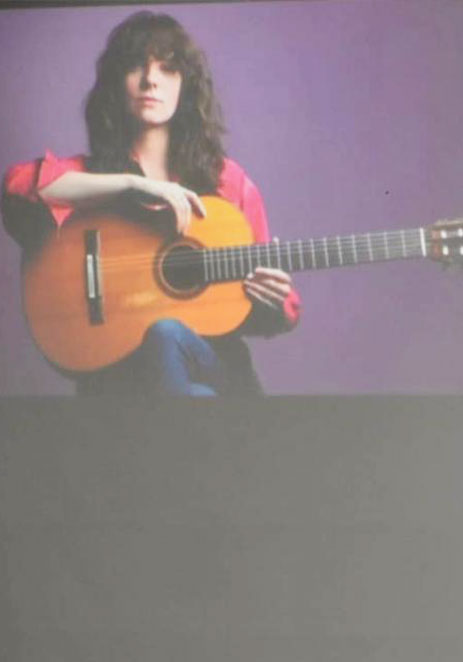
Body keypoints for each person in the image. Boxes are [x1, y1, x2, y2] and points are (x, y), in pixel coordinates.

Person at [1, 11, 300, 395]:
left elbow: (281, 311)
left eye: (168, 69)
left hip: (209, 365)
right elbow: (17, 186)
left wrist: (271, 298)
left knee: (167, 336)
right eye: (135, 67)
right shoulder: (93, 178)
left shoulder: (228, 182)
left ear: (185, 86)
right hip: (117, 377)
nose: (151, 80)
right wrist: (129, 185)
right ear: (115, 83)